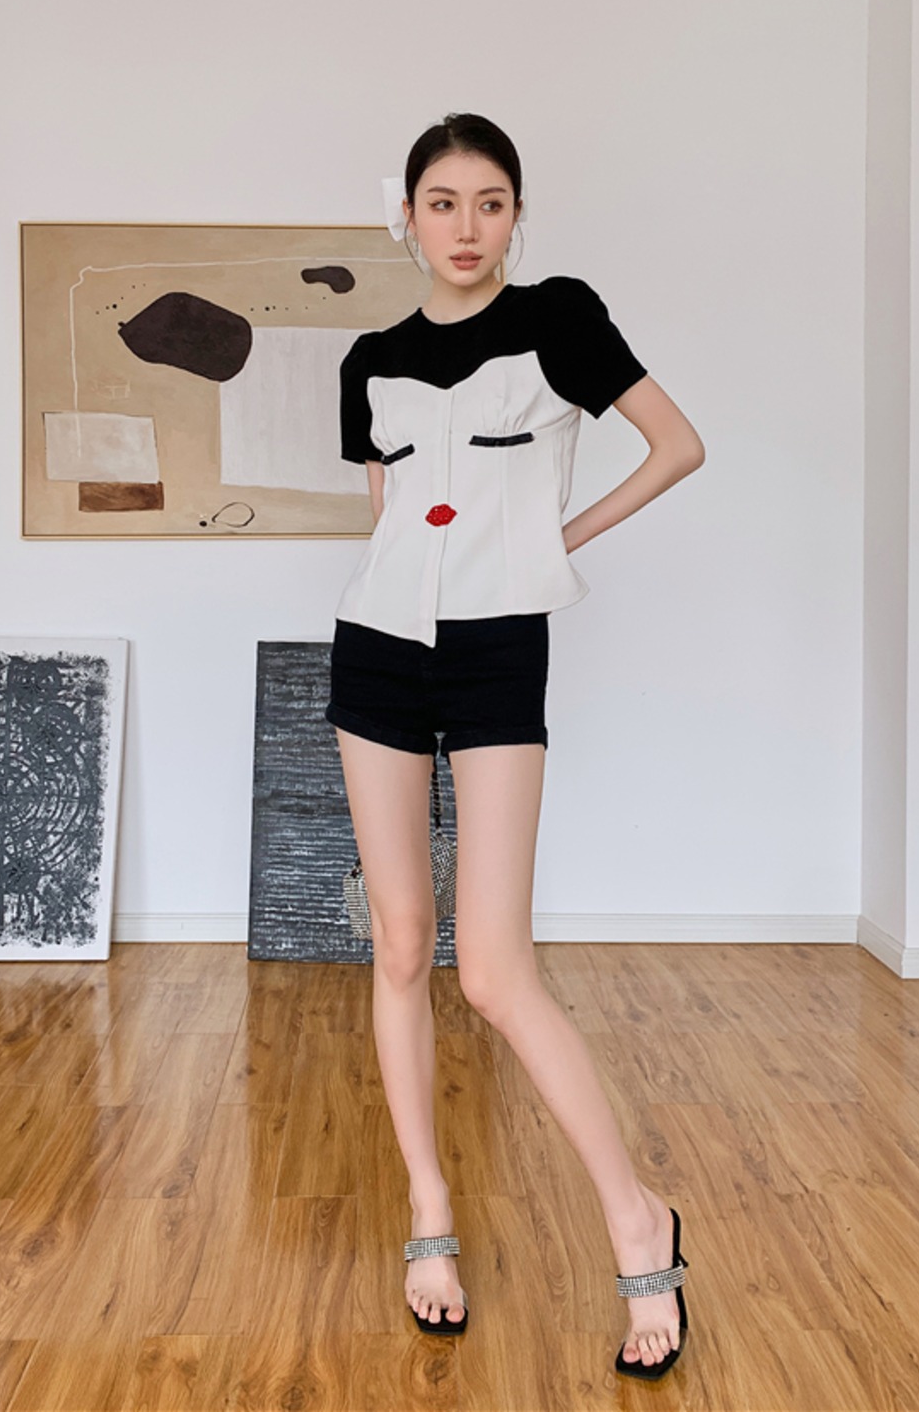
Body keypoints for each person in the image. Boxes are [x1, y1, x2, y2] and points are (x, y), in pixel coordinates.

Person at [325, 112, 706, 1379]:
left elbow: (677, 446)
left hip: (497, 653)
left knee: (491, 970)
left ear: (516, 217)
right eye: (441, 203)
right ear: (406, 218)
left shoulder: (558, 319)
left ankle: (635, 1220)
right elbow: (391, 523)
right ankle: (428, 1215)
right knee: (397, 943)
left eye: (489, 203)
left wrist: (552, 546)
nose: (466, 226)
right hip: (376, 652)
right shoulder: (369, 361)